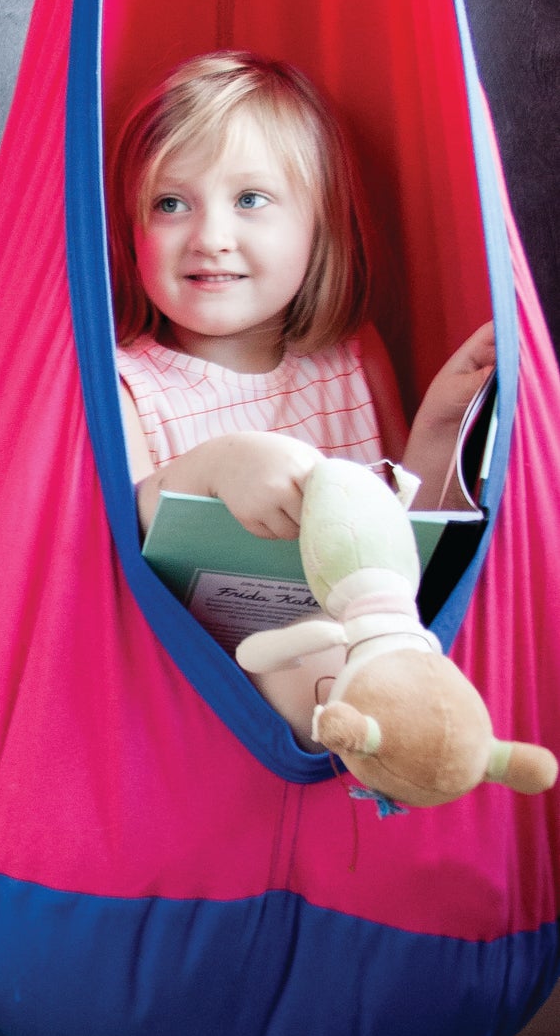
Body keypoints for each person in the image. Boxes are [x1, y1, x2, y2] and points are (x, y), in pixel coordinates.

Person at [108, 52, 494, 730]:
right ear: (130, 229)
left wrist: (442, 421)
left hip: (359, 640)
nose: (210, 238)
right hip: (195, 680)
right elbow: (116, 539)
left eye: (250, 200)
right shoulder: (127, 381)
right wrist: (215, 465)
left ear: (317, 226)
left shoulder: (349, 356)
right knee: (311, 661)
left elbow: (401, 528)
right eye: (170, 203)